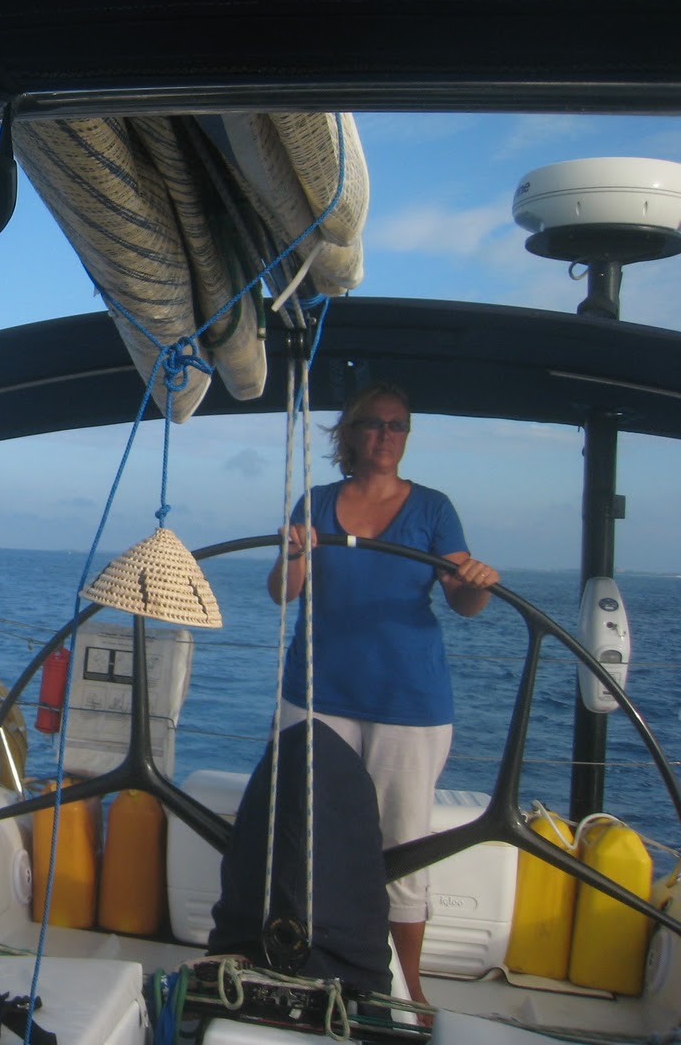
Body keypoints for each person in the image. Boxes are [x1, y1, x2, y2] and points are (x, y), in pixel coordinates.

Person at [266, 381, 498, 1010]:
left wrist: (477, 580)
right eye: (373, 424)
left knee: (402, 848)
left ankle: (409, 988)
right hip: (316, 694)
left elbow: (465, 601)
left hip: (408, 703)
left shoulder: (433, 509)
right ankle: (306, 964)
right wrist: (294, 555)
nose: (386, 436)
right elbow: (283, 591)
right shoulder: (315, 501)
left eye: (398, 426)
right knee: (306, 836)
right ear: (350, 433)